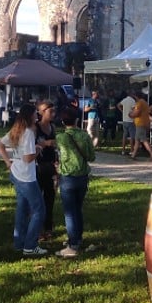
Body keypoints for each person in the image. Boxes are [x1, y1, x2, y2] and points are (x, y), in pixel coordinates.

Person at [0, 103, 45, 256]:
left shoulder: (17, 129)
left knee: (22, 208)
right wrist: (39, 148)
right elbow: (28, 158)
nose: (37, 115)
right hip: (26, 176)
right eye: (35, 113)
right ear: (30, 116)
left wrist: (8, 163)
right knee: (39, 210)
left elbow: (0, 145)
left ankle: (19, 242)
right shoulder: (29, 133)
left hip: (16, 172)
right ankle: (30, 245)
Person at [55, 105, 95, 258]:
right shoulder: (84, 136)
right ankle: (77, 238)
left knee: (69, 213)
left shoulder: (61, 137)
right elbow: (91, 157)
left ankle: (73, 245)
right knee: (77, 209)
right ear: (77, 120)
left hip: (67, 177)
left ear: (63, 122)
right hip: (82, 176)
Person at [34, 101, 60, 241]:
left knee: (49, 198)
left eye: (54, 111)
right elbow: (28, 146)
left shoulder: (52, 127)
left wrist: (57, 162)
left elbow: (55, 147)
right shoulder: (35, 128)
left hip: (50, 166)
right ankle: (36, 230)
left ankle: (48, 228)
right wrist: (44, 143)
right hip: (38, 166)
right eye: (50, 111)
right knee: (37, 200)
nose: (53, 114)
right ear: (41, 112)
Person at [128, 92, 152, 161]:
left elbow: (137, 113)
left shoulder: (139, 103)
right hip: (143, 123)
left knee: (144, 140)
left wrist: (130, 114)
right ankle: (133, 155)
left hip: (140, 123)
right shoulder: (144, 102)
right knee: (137, 140)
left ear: (136, 96)